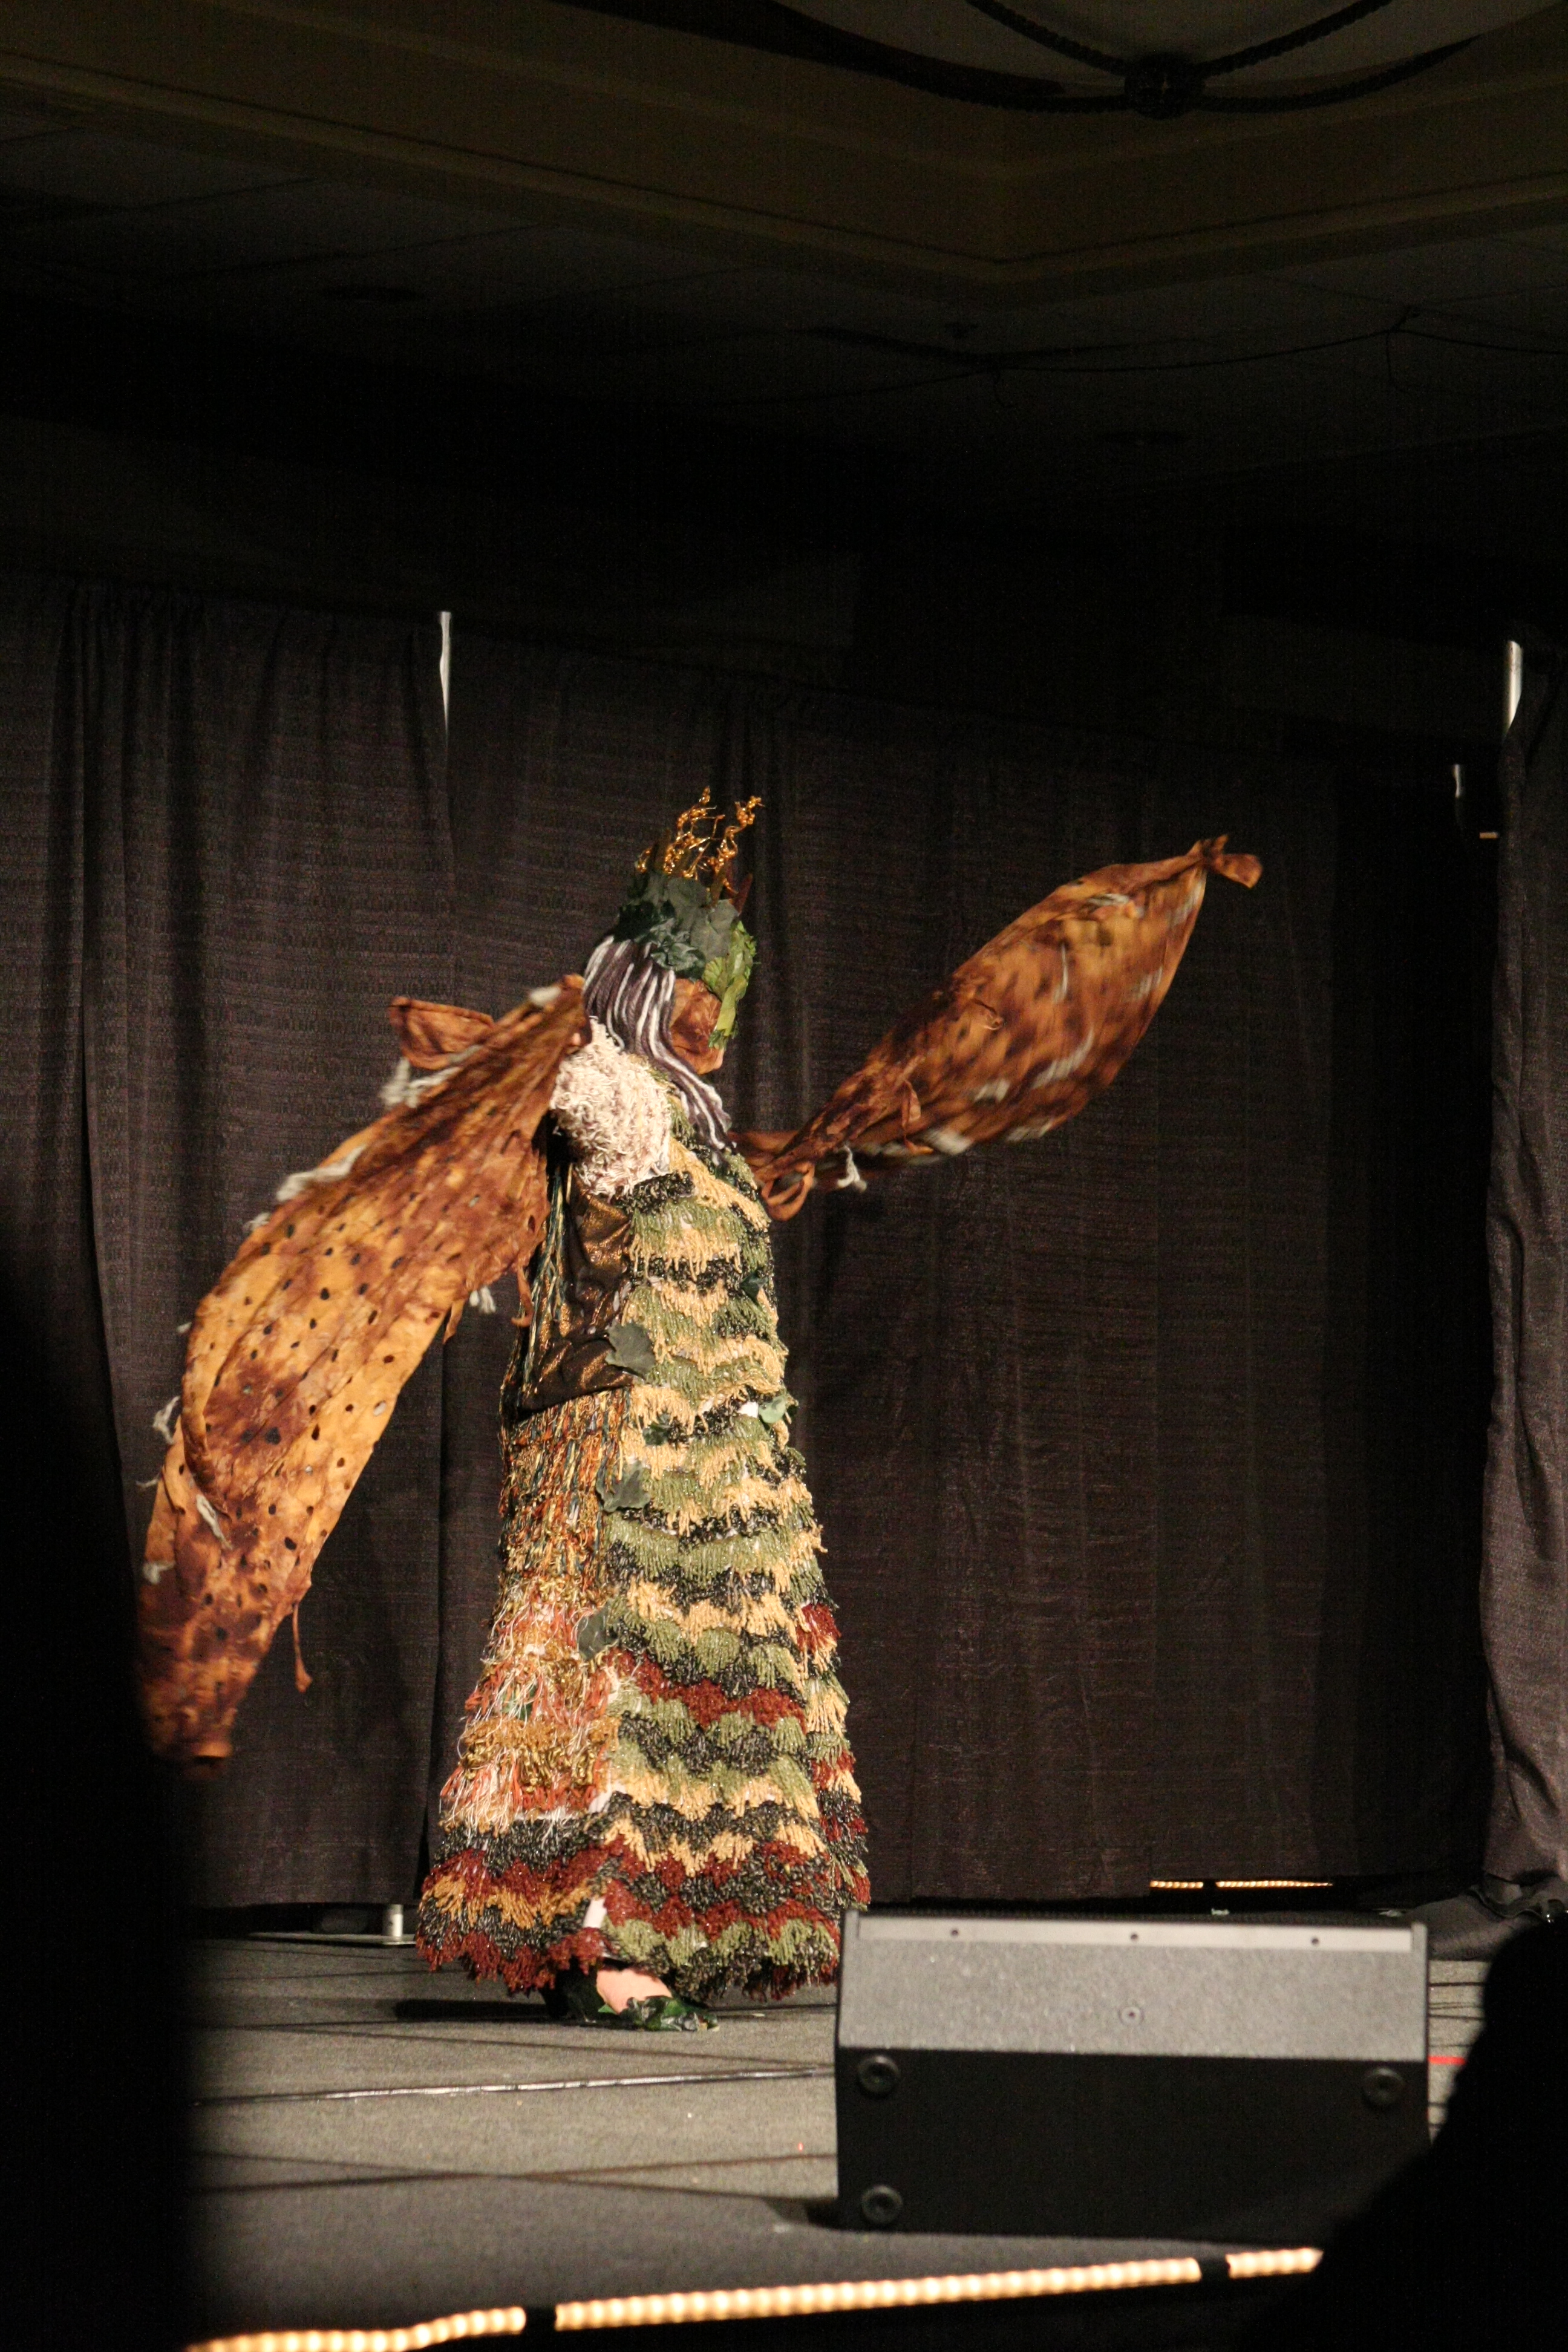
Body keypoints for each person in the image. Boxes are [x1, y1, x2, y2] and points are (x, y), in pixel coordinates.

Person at [415, 803, 869, 2026]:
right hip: (619, 1447)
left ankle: (674, 1925)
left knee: (704, 1687)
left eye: (733, 994)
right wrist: (540, 1041)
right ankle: (600, 1943)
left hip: (720, 1455)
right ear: (651, 983)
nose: (721, 1016)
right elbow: (550, 1096)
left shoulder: (700, 1127)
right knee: (610, 1678)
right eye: (703, 989)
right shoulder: (612, 1090)